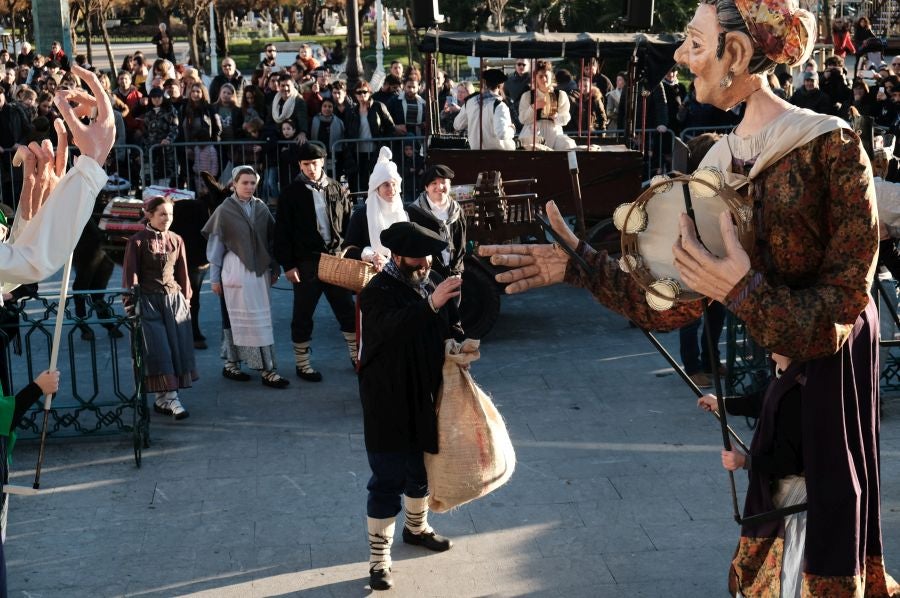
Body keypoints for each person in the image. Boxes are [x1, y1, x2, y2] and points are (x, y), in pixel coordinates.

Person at [479, 0, 900, 594]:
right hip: (782, 385)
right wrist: (580, 269)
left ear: (736, 54)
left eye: (694, 43)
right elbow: (673, 301)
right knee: (779, 536)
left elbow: (841, 309)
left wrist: (738, 288)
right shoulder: (717, 161)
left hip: (832, 384)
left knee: (822, 538)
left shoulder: (832, 148)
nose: (680, 57)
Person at [358, 220, 464, 591]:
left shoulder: (431, 282)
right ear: (398, 256)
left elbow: (448, 323)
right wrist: (432, 306)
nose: (426, 265)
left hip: (426, 395)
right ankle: (378, 560)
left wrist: (456, 341)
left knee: (421, 470)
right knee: (387, 478)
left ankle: (417, 530)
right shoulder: (376, 292)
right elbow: (392, 330)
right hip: (386, 399)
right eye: (418, 259)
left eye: (429, 258)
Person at [274, 143, 357, 381]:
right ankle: (302, 364)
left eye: (315, 163)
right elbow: (282, 233)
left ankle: (356, 356)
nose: (311, 168)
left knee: (346, 311)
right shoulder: (291, 193)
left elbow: (348, 223)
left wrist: (348, 255)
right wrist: (288, 265)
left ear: (324, 161)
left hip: (335, 259)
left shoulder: (336, 188)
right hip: (306, 261)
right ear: (300, 165)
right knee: (303, 313)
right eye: (306, 164)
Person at [202, 165, 290, 389]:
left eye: (252, 183)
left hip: (259, 271)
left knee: (261, 320)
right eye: (245, 183)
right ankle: (232, 364)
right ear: (234, 184)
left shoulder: (261, 208)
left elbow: (271, 240)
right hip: (234, 269)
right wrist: (214, 279)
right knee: (232, 318)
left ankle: (267, 368)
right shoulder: (225, 210)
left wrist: (275, 267)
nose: (249, 187)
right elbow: (215, 248)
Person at [122, 196, 197, 419]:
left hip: (174, 303)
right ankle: (173, 400)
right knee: (158, 350)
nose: (167, 219)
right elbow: (130, 277)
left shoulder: (176, 240)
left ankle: (162, 400)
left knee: (174, 351)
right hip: (148, 302)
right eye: (162, 214)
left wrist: (186, 301)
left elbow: (183, 273)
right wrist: (131, 306)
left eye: (170, 215)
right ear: (149, 215)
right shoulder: (136, 241)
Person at [344, 147, 407, 272]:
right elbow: (348, 250)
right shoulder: (361, 215)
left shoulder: (403, 214)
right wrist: (369, 255)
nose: (392, 189)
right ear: (376, 189)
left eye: (394, 184)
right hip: (369, 280)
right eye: (386, 185)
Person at [406, 165, 465, 281]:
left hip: (454, 274)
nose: (440, 187)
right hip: (427, 275)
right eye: (434, 183)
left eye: (444, 182)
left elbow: (461, 243)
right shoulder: (414, 212)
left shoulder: (457, 210)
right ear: (426, 187)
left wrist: (456, 271)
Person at [344, 82, 395, 193]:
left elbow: (390, 127)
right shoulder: (352, 111)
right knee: (359, 180)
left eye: (364, 91)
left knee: (375, 179)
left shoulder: (378, 106)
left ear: (370, 92)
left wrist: (383, 143)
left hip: (375, 150)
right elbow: (348, 130)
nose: (362, 94)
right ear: (355, 95)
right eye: (359, 92)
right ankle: (359, 206)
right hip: (357, 151)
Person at [518, 60, 575, 150]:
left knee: (567, 144)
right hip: (533, 132)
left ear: (551, 76)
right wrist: (533, 107)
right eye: (540, 76)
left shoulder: (560, 95)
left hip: (554, 133)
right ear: (535, 78)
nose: (544, 79)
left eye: (546, 76)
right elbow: (522, 119)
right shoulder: (527, 96)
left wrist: (555, 116)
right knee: (531, 146)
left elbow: (566, 119)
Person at [453, 68, 515, 150]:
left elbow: (457, 125)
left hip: (476, 153)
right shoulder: (499, 106)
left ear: (485, 83)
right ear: (501, 85)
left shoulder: (470, 102)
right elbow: (502, 134)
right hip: (499, 156)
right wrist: (512, 129)